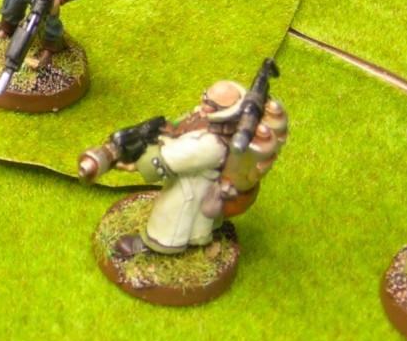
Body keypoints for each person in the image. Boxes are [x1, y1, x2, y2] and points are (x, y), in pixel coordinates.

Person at [104, 79, 288, 255]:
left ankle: (157, 245)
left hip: (192, 183)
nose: (203, 101)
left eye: (210, 102)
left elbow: (173, 157)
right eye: (205, 95)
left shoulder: (213, 142)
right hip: (199, 177)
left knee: (173, 212)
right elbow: (183, 124)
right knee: (199, 218)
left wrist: (137, 163)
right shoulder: (211, 119)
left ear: (224, 109)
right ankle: (204, 232)